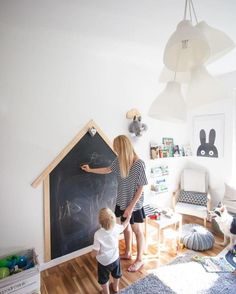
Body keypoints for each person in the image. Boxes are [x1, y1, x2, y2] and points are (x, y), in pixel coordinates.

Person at [81, 135, 148, 272]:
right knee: (126, 228)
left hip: (134, 204)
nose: (116, 151)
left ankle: (140, 259)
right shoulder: (120, 161)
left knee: (137, 231)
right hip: (121, 201)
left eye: (118, 149)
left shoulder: (139, 164)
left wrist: (131, 207)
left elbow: (141, 187)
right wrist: (90, 169)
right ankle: (128, 252)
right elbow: (107, 170)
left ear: (123, 148)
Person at [92, 207, 131, 294]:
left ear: (100, 222)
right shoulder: (116, 227)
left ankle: (106, 292)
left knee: (104, 278)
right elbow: (124, 226)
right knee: (116, 274)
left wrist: (92, 254)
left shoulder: (98, 234)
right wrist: (128, 218)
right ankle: (116, 287)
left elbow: (96, 251)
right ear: (113, 219)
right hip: (115, 259)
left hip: (103, 262)